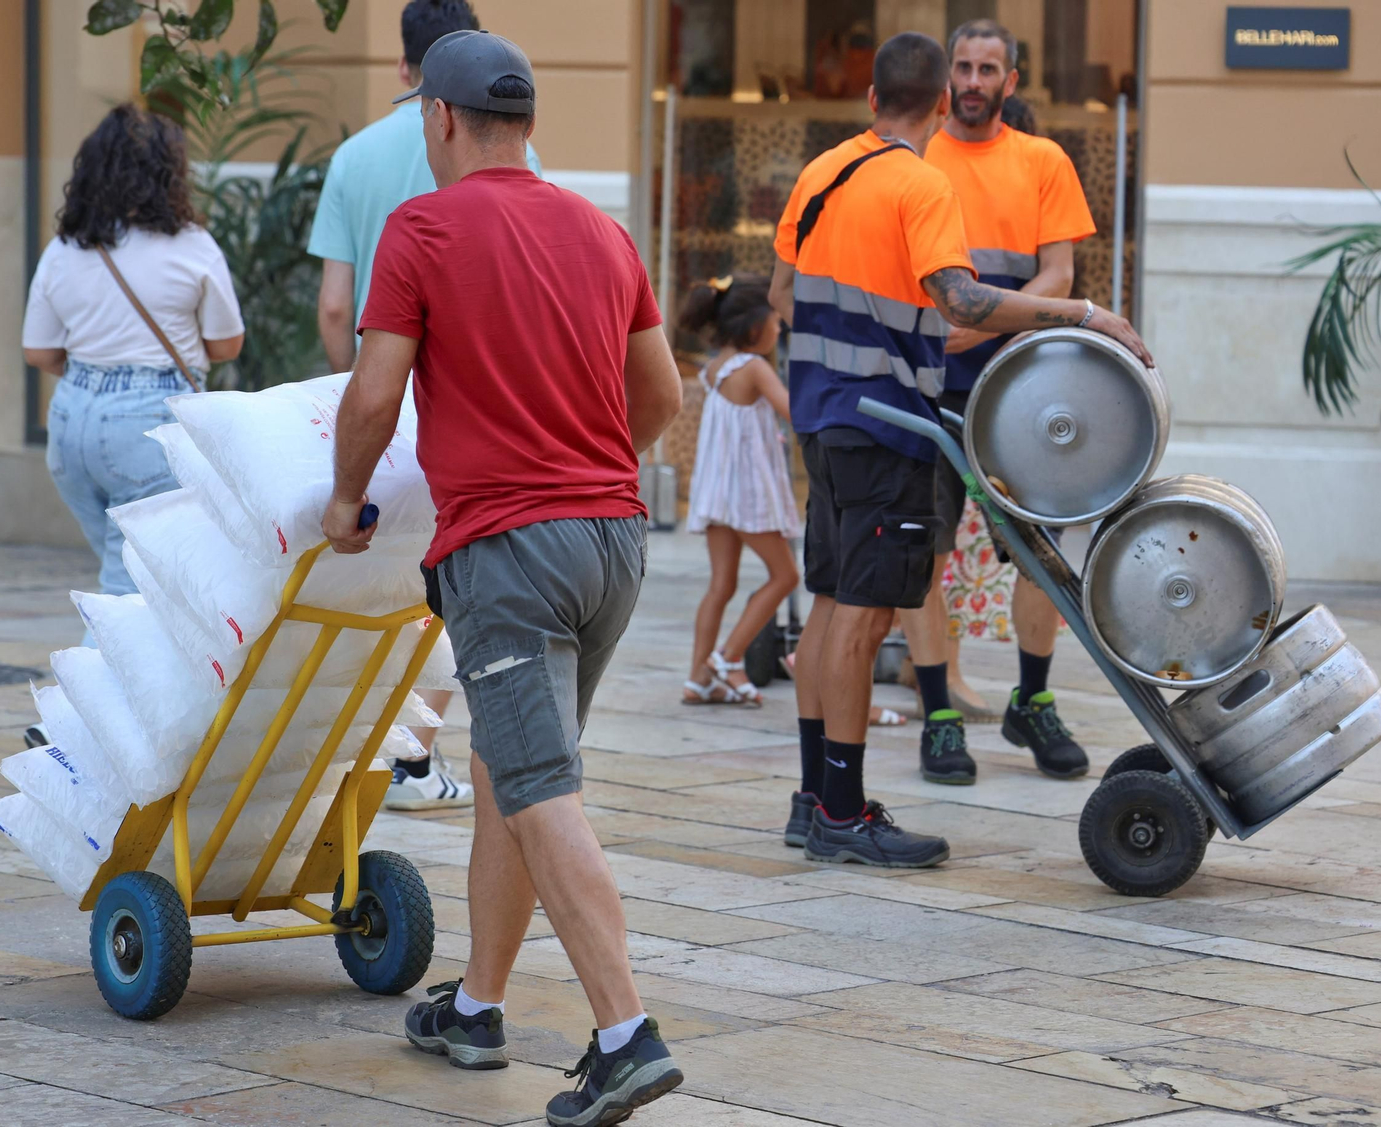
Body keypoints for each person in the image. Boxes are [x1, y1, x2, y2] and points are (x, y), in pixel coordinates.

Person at [319, 30, 684, 1127]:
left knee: (536, 784)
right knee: (509, 771)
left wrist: (344, 502)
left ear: (439, 118)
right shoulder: (598, 229)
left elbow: (375, 392)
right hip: (611, 540)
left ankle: (624, 1033)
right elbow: (661, 398)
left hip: (507, 551)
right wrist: (587, 456)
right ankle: (474, 1003)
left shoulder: (422, 226)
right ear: (523, 124)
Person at [769, 32, 1149, 868]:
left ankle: (812, 800)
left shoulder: (821, 171)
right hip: (888, 426)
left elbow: (781, 293)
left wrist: (844, 351)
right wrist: (1086, 314)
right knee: (863, 623)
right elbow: (962, 299)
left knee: (831, 605)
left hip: (824, 418)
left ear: (872, 100)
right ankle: (841, 811)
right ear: (941, 102)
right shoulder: (922, 182)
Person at [309, 0, 540, 809]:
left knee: (368, 589)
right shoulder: (521, 155)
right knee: (442, 588)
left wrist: (359, 397)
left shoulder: (355, 158)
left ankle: (368, 744)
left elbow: (337, 307)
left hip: (375, 407)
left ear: (411, 77)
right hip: (483, 418)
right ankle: (413, 746)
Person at [903, 19, 1100, 787]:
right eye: (963, 67)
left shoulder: (1044, 160)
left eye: (990, 68)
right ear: (946, 77)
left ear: (1012, 81)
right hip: (928, 385)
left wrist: (979, 316)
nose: (975, 81)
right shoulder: (917, 156)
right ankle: (939, 716)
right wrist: (945, 326)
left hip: (1019, 390)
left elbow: (1059, 274)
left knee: (1039, 558)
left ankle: (1034, 699)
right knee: (926, 550)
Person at [23, 103, 243, 603]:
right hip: (146, 423)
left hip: (71, 421)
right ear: (170, 175)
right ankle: (91, 682)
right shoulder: (192, 246)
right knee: (129, 590)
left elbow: (38, 351)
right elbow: (227, 344)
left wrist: (94, 372)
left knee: (123, 568)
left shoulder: (66, 247)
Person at [678, 274, 802, 707]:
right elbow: (793, 411)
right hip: (746, 494)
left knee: (721, 584)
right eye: (776, 323)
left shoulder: (715, 367)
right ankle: (729, 658)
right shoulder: (754, 368)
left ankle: (697, 677)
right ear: (754, 327)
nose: (780, 330)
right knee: (786, 576)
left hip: (717, 492)